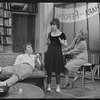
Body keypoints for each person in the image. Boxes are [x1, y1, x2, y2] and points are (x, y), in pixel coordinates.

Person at [45, 18, 68, 92]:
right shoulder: (50, 34)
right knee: (49, 69)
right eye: (51, 25)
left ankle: (58, 86)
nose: (52, 26)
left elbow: (66, 44)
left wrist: (62, 42)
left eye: (53, 25)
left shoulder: (62, 34)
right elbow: (48, 42)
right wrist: (47, 42)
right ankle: (48, 86)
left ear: (57, 25)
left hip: (57, 53)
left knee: (57, 70)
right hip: (50, 52)